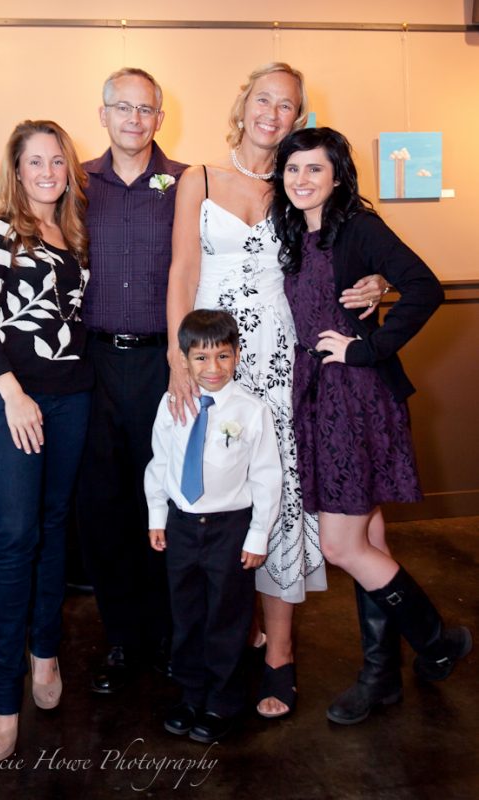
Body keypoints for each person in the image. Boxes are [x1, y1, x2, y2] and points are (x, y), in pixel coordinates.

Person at [166, 63, 386, 718]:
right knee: (214, 501)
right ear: (244, 104)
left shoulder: (301, 186)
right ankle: (228, 639)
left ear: (298, 118)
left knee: (278, 498)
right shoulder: (197, 179)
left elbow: (347, 252)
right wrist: (178, 359)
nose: (272, 112)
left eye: (286, 105)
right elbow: (182, 267)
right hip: (211, 364)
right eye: (263, 99)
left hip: (282, 367)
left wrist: (376, 284)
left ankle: (279, 653)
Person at [271, 125, 473, 725]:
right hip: (317, 394)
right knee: (369, 540)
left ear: (337, 176)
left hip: (354, 397)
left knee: (339, 545)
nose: (302, 180)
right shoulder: (292, 234)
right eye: (293, 169)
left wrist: (368, 348)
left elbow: (425, 288)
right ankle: (380, 677)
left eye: (315, 169)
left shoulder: (358, 227)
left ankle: (437, 640)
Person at [0, 120, 93, 760]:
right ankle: (3, 694)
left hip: (72, 402)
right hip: (13, 402)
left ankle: (46, 654)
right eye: (34, 161)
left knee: (54, 525)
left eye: (56, 161)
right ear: (16, 170)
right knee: (16, 539)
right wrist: (13, 396)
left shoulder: (74, 235)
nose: (47, 172)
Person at [76, 68, 188, 693]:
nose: (134, 119)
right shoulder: (77, 184)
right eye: (123, 106)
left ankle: (171, 634)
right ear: (103, 113)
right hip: (91, 366)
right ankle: (121, 638)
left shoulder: (184, 184)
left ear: (160, 119)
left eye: (146, 109)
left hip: (162, 364)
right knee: (104, 505)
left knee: (166, 500)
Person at [145, 309, 282, 743]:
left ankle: (223, 700)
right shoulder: (171, 405)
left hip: (230, 529)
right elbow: (160, 463)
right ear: (183, 359)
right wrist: (157, 516)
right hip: (182, 527)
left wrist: (258, 534)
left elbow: (266, 475)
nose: (213, 368)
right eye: (201, 359)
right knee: (186, 615)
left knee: (227, 617)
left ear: (237, 355)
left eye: (223, 356)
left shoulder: (251, 409)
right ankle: (190, 693)